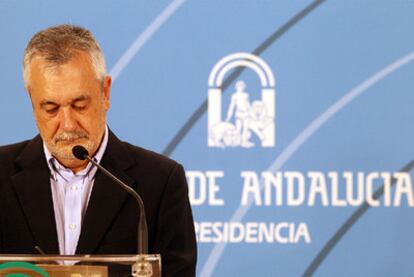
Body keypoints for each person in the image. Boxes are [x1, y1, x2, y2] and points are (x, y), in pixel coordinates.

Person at [0, 24, 197, 276]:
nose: (68, 124)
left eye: (79, 105)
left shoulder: (160, 183)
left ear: (105, 92)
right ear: (31, 102)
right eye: (50, 109)